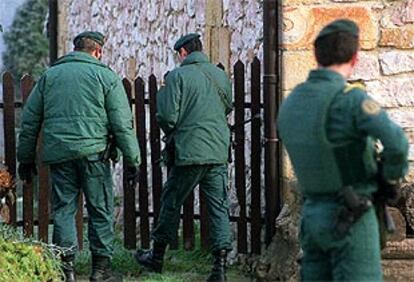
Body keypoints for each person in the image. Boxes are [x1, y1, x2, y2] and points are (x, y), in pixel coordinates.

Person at [277, 19, 409, 281]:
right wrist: (390, 178)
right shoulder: (351, 99)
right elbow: (398, 144)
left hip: (312, 215)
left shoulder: (292, 102)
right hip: (352, 217)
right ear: (355, 56)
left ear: (317, 55)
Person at [17, 31, 141, 282]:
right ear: (98, 51)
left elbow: (30, 121)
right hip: (95, 154)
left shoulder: (50, 76)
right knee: (100, 210)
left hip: (60, 155)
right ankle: (100, 271)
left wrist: (25, 158)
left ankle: (67, 271)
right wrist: (132, 160)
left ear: (75, 49)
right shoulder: (106, 76)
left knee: (63, 209)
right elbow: (122, 124)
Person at [135, 33, 233, 282]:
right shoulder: (220, 75)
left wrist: (175, 132)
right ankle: (219, 269)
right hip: (217, 151)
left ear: (182, 53)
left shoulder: (177, 76)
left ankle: (156, 257)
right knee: (219, 207)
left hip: (189, 151)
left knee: (171, 201)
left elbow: (167, 116)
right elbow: (228, 107)